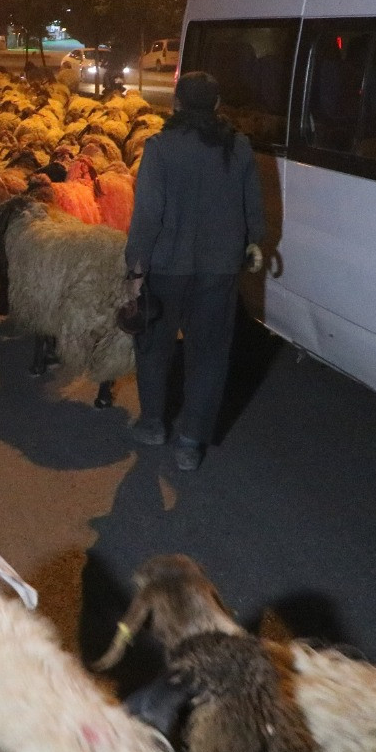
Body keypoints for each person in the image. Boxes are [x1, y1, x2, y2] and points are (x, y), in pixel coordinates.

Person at [124, 71, 265, 471]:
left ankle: (153, 423)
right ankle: (190, 442)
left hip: (167, 267)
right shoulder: (237, 147)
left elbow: (147, 217)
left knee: (154, 344)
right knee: (209, 352)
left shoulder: (160, 148)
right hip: (219, 269)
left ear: (177, 103)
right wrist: (253, 240)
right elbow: (251, 203)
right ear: (217, 104)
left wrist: (135, 271)